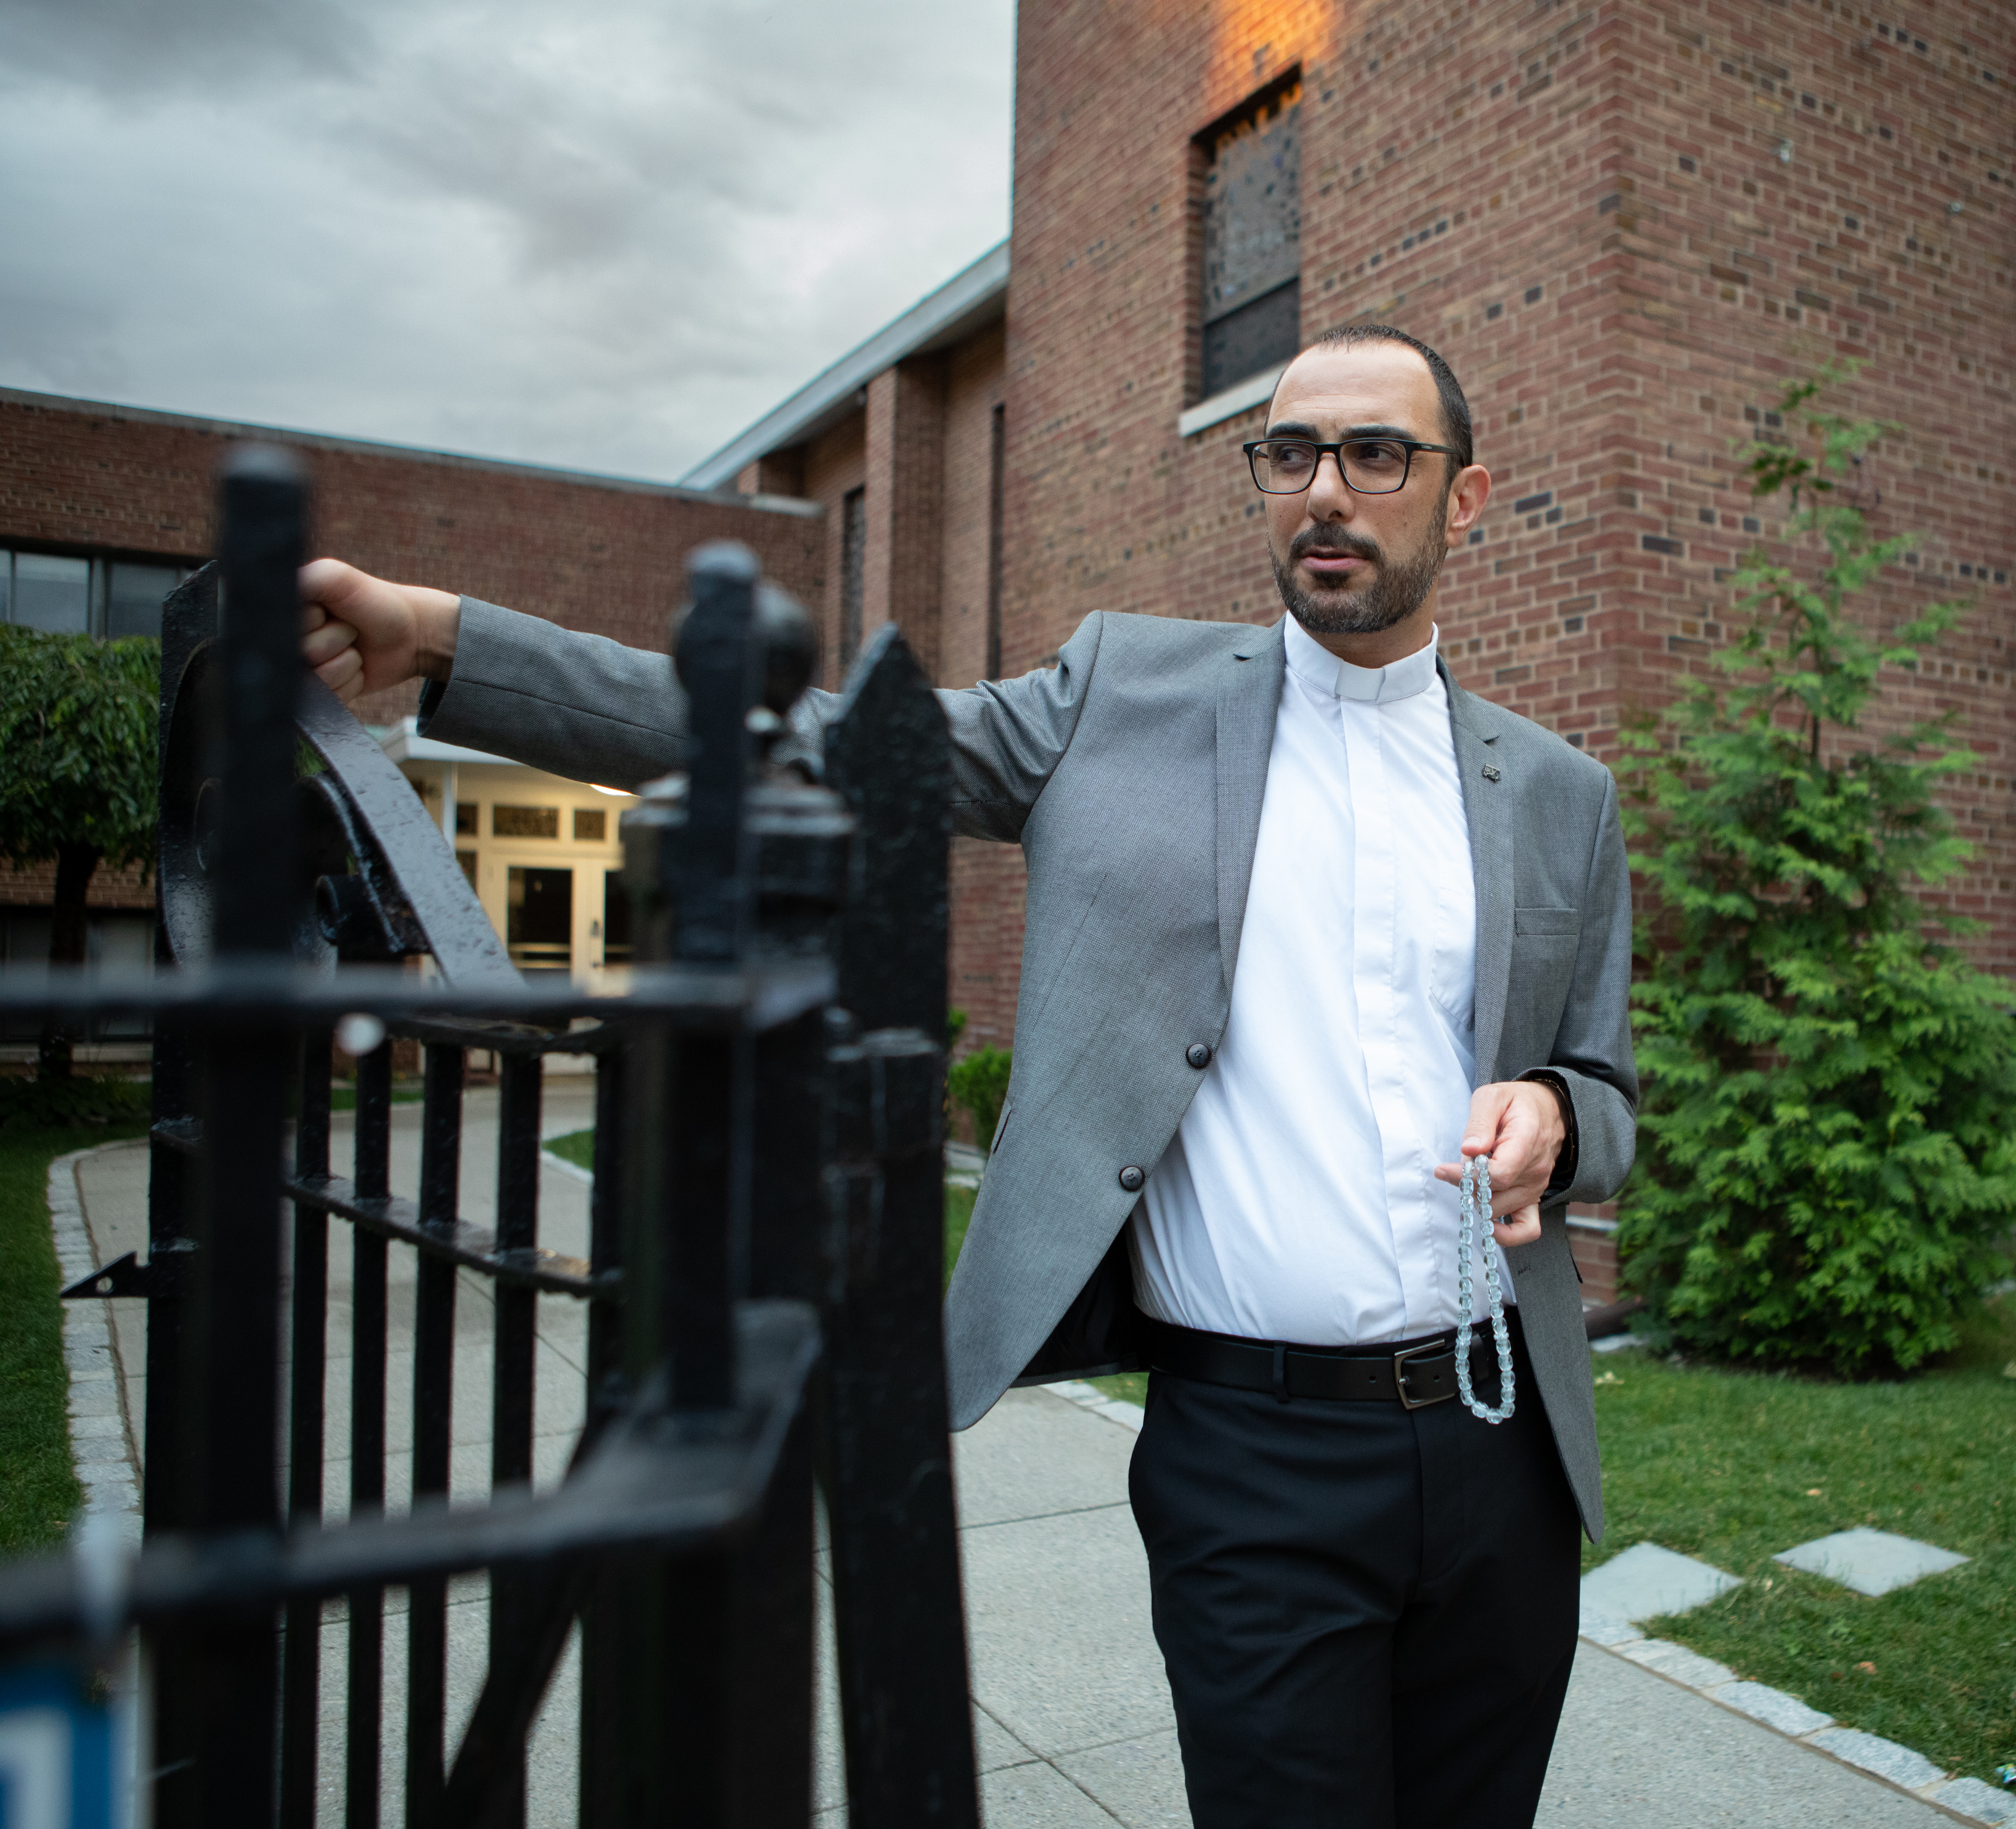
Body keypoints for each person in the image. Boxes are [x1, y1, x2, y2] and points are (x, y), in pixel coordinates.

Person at [298, 324, 1636, 1828]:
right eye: (1290, 453)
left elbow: (1606, 1090)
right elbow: (797, 733)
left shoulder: (1562, 796)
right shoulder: (1119, 697)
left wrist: (1559, 1119)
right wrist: (449, 644)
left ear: (1463, 499)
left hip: (1500, 1449)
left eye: (1377, 455)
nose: (1327, 491)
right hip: (1253, 1466)